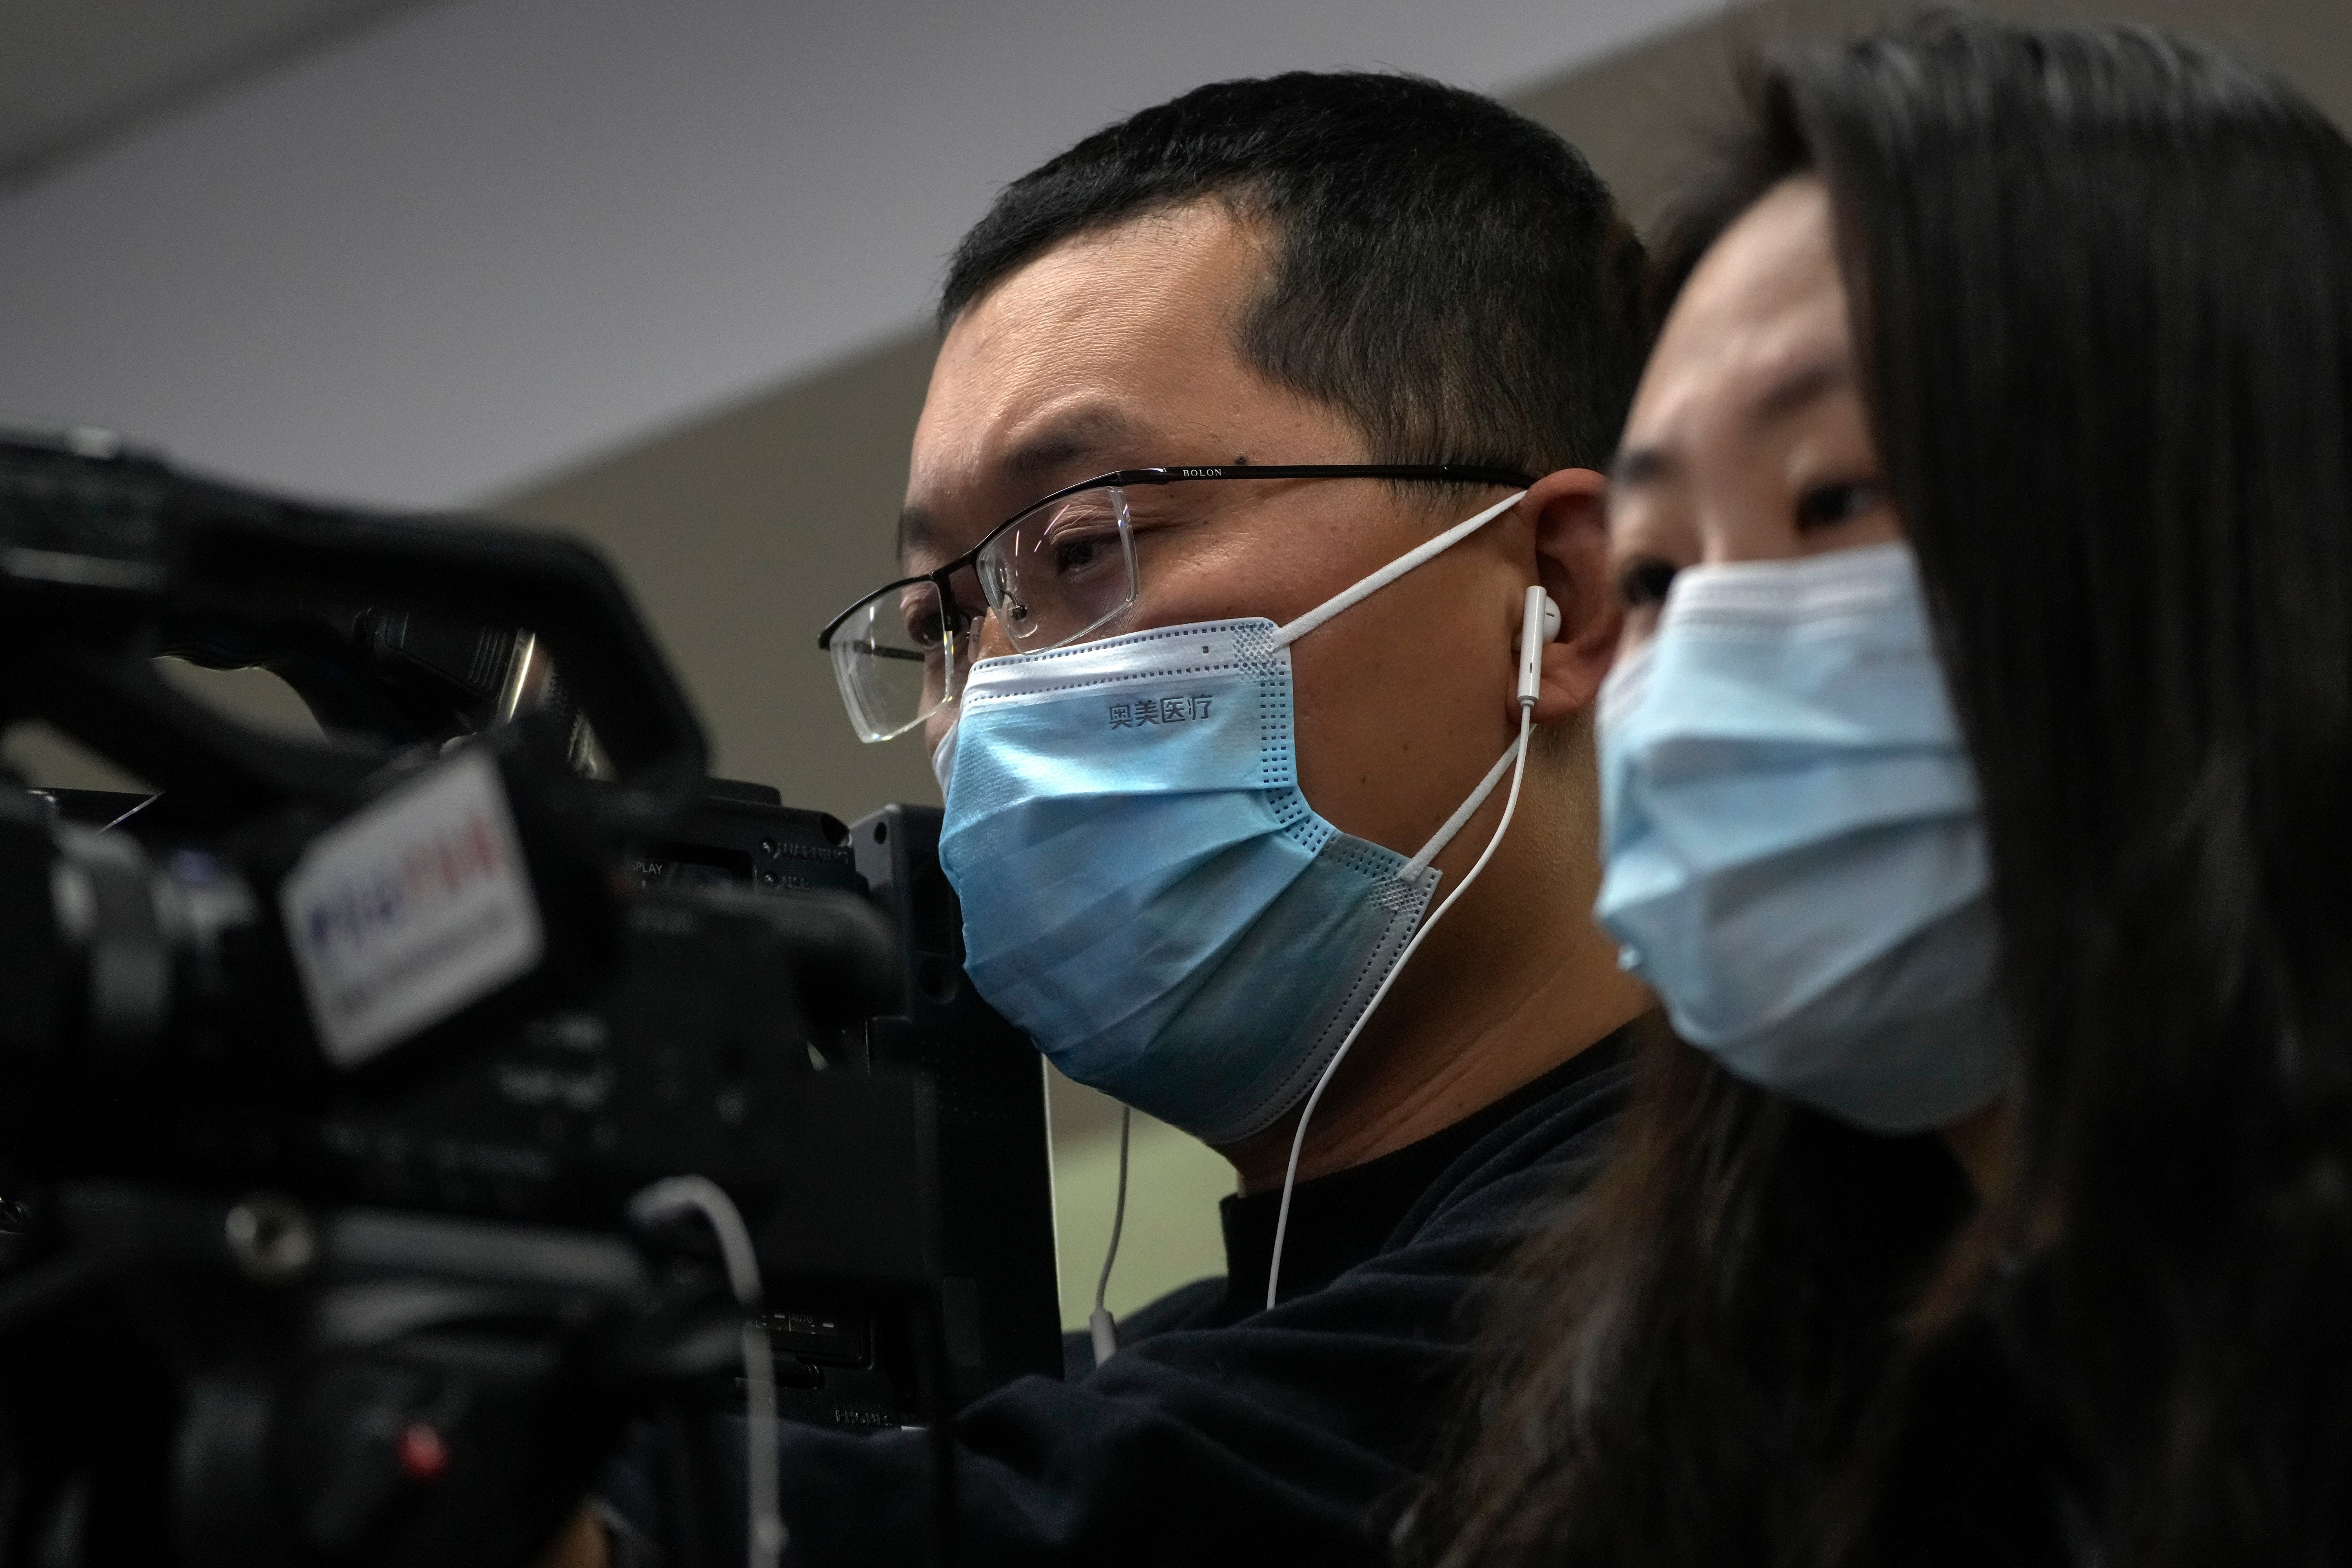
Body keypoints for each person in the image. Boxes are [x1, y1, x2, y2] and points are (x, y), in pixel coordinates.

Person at [569, 71, 1655, 1566]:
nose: (985, 703)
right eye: (942, 623)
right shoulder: (1168, 1375)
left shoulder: (1798, 1246)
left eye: (1081, 547)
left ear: (1566, 593)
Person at [1408, 17, 2352, 1568]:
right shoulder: (1697, 1440)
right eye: (1655, 575)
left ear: (2232, 511)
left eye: (1835, 494)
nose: (1701, 659)